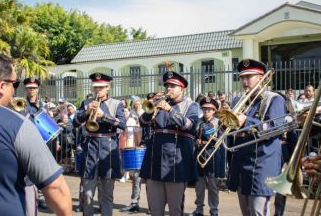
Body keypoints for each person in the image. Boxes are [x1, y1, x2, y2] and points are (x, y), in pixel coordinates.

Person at [0, 53, 72, 216]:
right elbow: (55, 187)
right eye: (15, 84)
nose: (14, 90)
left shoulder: (35, 111)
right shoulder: (14, 123)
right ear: (1, 86)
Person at [227, 59, 285, 216]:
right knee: (246, 212)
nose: (245, 82)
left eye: (249, 77)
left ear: (261, 77)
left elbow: (275, 128)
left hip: (262, 165)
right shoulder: (239, 101)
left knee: (258, 212)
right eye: (242, 78)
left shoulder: (274, 99)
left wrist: (246, 121)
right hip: (241, 166)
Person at [139, 71, 199, 216]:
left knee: (175, 209)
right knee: (155, 209)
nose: (168, 89)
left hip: (176, 164)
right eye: (167, 86)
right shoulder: (159, 104)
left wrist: (170, 110)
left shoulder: (191, 105)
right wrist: (151, 110)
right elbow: (142, 122)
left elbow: (189, 126)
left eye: (173, 86)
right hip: (155, 162)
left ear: (182, 89)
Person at [73, 72, 126, 216]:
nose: (98, 91)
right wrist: (86, 112)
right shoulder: (86, 103)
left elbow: (122, 124)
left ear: (108, 87)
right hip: (90, 148)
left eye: (101, 87)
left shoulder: (116, 104)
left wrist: (105, 116)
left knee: (106, 195)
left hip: (108, 149)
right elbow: (75, 123)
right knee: (87, 194)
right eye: (95, 87)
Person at [192, 98, 225, 216]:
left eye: (209, 109)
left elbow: (220, 140)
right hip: (199, 156)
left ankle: (214, 210)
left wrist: (205, 141)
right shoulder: (198, 121)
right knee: (199, 186)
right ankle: (199, 209)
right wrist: (196, 140)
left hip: (213, 156)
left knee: (213, 186)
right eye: (204, 109)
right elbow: (193, 135)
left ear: (214, 110)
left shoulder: (219, 122)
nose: (206, 111)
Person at [22, 77, 48, 213]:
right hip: (25, 143)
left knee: (40, 170)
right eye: (29, 88)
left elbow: (49, 127)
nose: (31, 90)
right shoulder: (20, 103)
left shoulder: (44, 105)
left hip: (40, 142)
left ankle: (41, 196)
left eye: (34, 88)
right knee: (27, 174)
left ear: (38, 89)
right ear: (25, 89)